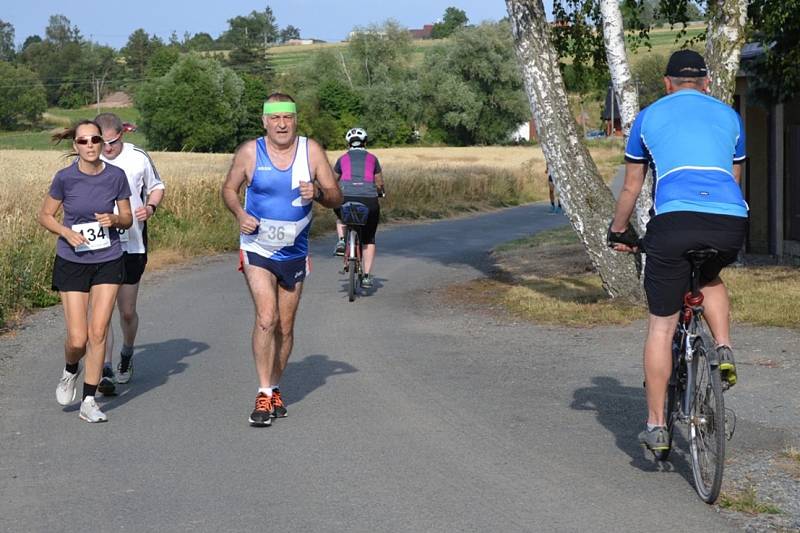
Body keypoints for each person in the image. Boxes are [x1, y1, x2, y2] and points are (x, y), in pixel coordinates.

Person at [608, 50, 748, 453]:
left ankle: (656, 426)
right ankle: (722, 347)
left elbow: (632, 188)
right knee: (710, 276)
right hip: (729, 219)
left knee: (661, 327)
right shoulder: (729, 116)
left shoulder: (649, 117)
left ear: (667, 84)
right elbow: (733, 177)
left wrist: (618, 230)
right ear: (706, 83)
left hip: (673, 223)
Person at [221, 93, 342, 427]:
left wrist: (317, 193)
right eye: (274, 118)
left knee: (285, 327)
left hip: (295, 250)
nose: (281, 124)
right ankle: (262, 393)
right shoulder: (250, 151)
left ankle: (274, 387)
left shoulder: (311, 151)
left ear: (295, 120)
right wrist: (240, 213)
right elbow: (229, 189)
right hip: (257, 246)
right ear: (264, 121)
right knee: (267, 318)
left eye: (287, 117)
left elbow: (336, 197)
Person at [38, 120, 133, 423]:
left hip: (108, 258)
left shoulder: (116, 176)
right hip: (72, 260)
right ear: (75, 146)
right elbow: (45, 215)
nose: (90, 145)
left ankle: (90, 400)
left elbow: (128, 218)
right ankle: (70, 370)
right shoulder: (65, 178)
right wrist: (66, 233)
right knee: (78, 339)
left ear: (103, 143)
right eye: (83, 141)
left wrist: (114, 220)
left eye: (95, 139)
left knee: (98, 331)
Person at [93, 113, 165, 396]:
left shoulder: (138, 157)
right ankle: (106, 368)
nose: (106, 149)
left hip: (132, 242)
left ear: (122, 135)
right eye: (102, 142)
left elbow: (157, 186)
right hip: (100, 245)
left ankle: (126, 352)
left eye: (111, 142)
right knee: (103, 309)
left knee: (126, 311)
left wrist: (150, 208)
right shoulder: (88, 158)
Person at [332, 127, 385, 289]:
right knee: (369, 238)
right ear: (365, 142)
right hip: (369, 200)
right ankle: (367, 276)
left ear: (348, 143)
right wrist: (381, 192)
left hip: (346, 198)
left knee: (340, 214)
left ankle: (342, 241)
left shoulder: (342, 159)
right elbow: (379, 182)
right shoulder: (372, 159)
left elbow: (333, 180)